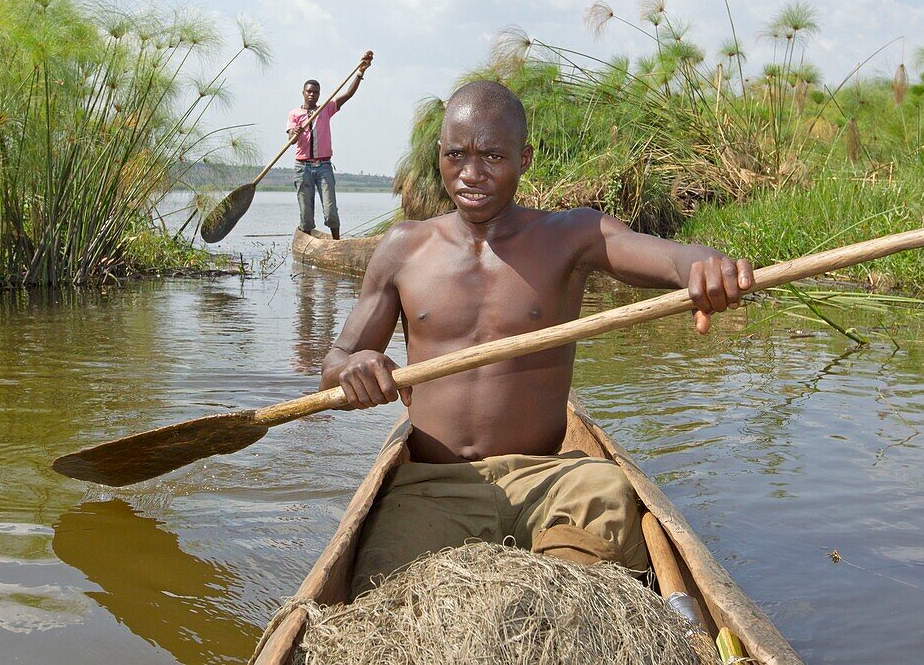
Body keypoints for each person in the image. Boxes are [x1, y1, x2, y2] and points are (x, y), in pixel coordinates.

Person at [319, 80, 754, 597]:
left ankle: (563, 600)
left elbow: (665, 256)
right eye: (456, 154)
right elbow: (337, 360)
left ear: (524, 159)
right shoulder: (403, 247)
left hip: (551, 480)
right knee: (387, 585)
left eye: (493, 156)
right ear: (439, 155)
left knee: (609, 493)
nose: (472, 173)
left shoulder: (570, 235)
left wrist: (702, 267)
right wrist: (356, 369)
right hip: (433, 486)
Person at [287, 51, 374, 240]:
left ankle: (336, 242)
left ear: (319, 94)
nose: (312, 94)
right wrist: (295, 132)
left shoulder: (325, 108)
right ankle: (306, 244)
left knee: (330, 210)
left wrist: (360, 72)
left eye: (315, 92)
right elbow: (291, 141)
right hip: (302, 168)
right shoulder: (294, 114)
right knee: (306, 214)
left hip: (324, 166)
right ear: (303, 93)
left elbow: (348, 94)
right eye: (309, 91)